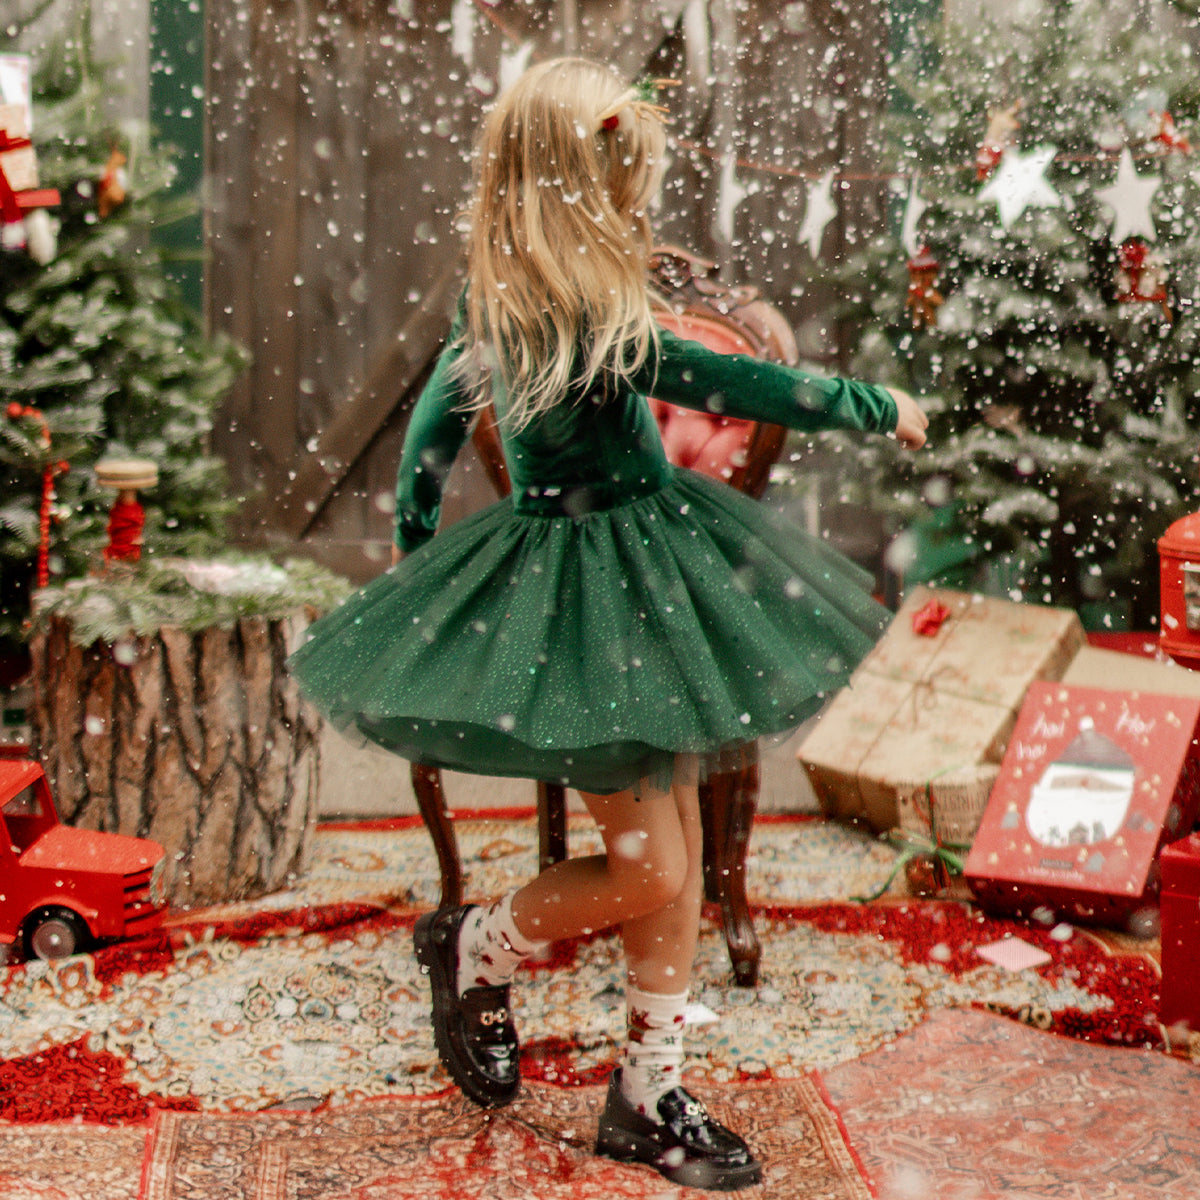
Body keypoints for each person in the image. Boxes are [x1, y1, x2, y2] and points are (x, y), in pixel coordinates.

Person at [288, 56, 927, 1192]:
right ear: (575, 196)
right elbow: (750, 388)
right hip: (582, 609)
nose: (633, 201)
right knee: (649, 871)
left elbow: (425, 458)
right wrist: (878, 406)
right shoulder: (561, 320)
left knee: (672, 867)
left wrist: (416, 531)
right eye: (616, 178)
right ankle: (474, 946)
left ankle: (648, 1091)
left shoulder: (533, 307)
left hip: (657, 580)